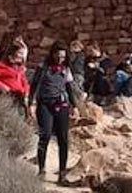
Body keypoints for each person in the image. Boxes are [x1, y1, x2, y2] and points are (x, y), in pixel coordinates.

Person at [30, 41, 78, 186]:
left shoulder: (66, 69)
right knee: (44, 136)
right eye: (58, 56)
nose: (60, 59)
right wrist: (31, 104)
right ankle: (41, 170)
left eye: (63, 57)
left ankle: (62, 174)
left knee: (63, 139)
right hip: (45, 104)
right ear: (52, 54)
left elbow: (69, 88)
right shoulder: (43, 68)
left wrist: (74, 106)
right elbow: (34, 86)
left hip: (61, 105)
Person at [0, 42, 31, 114]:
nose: (21, 56)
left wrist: (26, 90)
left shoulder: (19, 68)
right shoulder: (1, 66)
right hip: (8, 96)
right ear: (12, 54)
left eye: (22, 54)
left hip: (20, 97)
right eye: (19, 53)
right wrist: (1, 86)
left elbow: (24, 81)